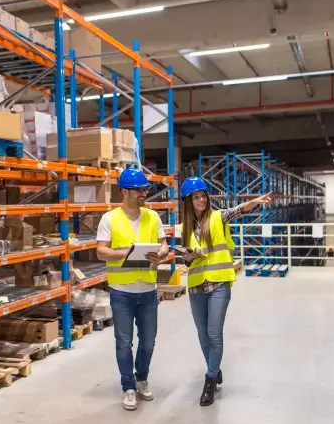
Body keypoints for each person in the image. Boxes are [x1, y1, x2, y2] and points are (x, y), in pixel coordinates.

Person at [180, 177, 272, 407]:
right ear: (188, 202)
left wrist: (257, 201)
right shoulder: (184, 227)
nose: (201, 200)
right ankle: (214, 366)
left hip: (219, 283)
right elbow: (185, 259)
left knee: (214, 334)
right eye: (196, 197)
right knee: (202, 335)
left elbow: (239, 209)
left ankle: (210, 380)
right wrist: (189, 256)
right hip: (196, 285)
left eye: (203, 196)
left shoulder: (218, 217)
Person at [96, 168, 170, 411]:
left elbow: (164, 244)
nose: (143, 194)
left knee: (148, 342)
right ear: (124, 191)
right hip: (121, 291)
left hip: (148, 289)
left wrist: (160, 255)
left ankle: (141, 378)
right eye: (139, 190)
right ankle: (128, 386)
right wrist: (124, 254)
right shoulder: (110, 218)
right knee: (124, 342)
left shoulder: (153, 217)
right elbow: (101, 251)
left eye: (145, 189)